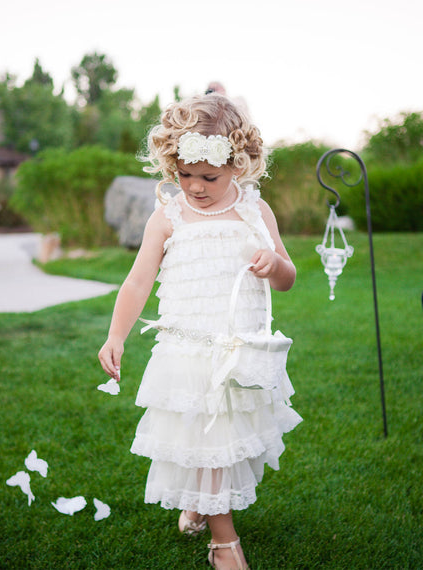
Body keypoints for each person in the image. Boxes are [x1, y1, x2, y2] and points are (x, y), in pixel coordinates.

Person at [98, 93, 302, 570]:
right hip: (188, 354)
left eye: (208, 176)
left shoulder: (255, 212)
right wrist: (116, 335)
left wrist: (274, 263)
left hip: (238, 351)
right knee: (204, 437)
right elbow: (138, 281)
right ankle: (224, 540)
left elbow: (288, 278)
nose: (194, 186)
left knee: (223, 440)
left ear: (238, 163)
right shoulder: (167, 218)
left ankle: (201, 501)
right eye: (184, 174)